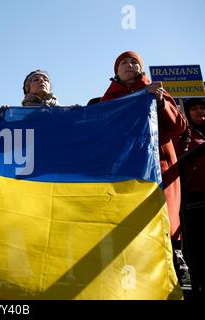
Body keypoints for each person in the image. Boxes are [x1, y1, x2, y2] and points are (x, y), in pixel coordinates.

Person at [100, 51, 189, 287]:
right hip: (129, 170)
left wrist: (159, 102)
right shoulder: (109, 98)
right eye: (124, 63)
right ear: (116, 71)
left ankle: (173, 263)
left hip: (160, 166)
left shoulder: (156, 91)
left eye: (134, 62)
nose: (129, 65)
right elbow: (104, 130)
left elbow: (178, 126)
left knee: (165, 217)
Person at [176, 97, 205, 297]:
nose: (199, 111)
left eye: (202, 107)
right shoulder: (184, 134)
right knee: (197, 245)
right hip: (192, 198)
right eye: (193, 108)